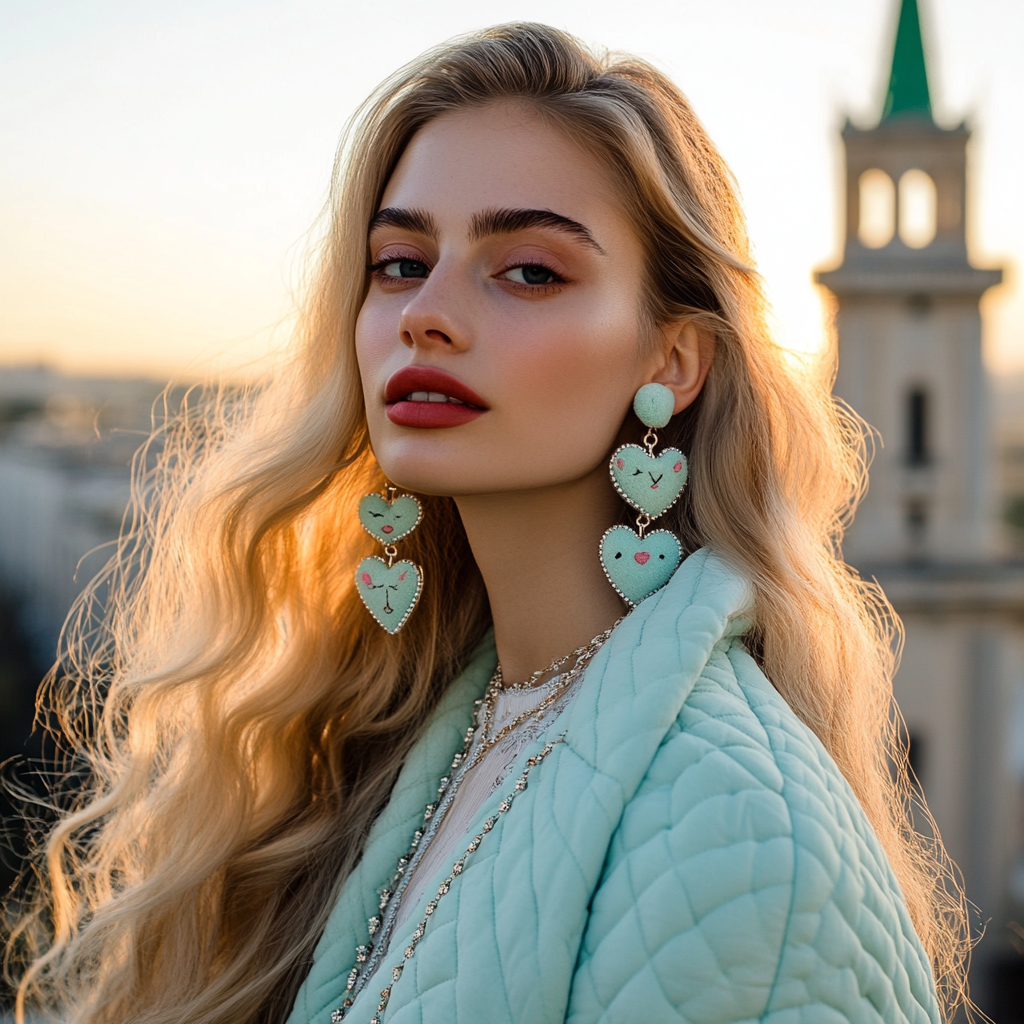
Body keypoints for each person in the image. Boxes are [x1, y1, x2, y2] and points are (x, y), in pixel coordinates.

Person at [7, 22, 968, 1024]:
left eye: (530, 271)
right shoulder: (417, 723)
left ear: (672, 358)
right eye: (397, 261)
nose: (427, 311)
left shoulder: (740, 840)